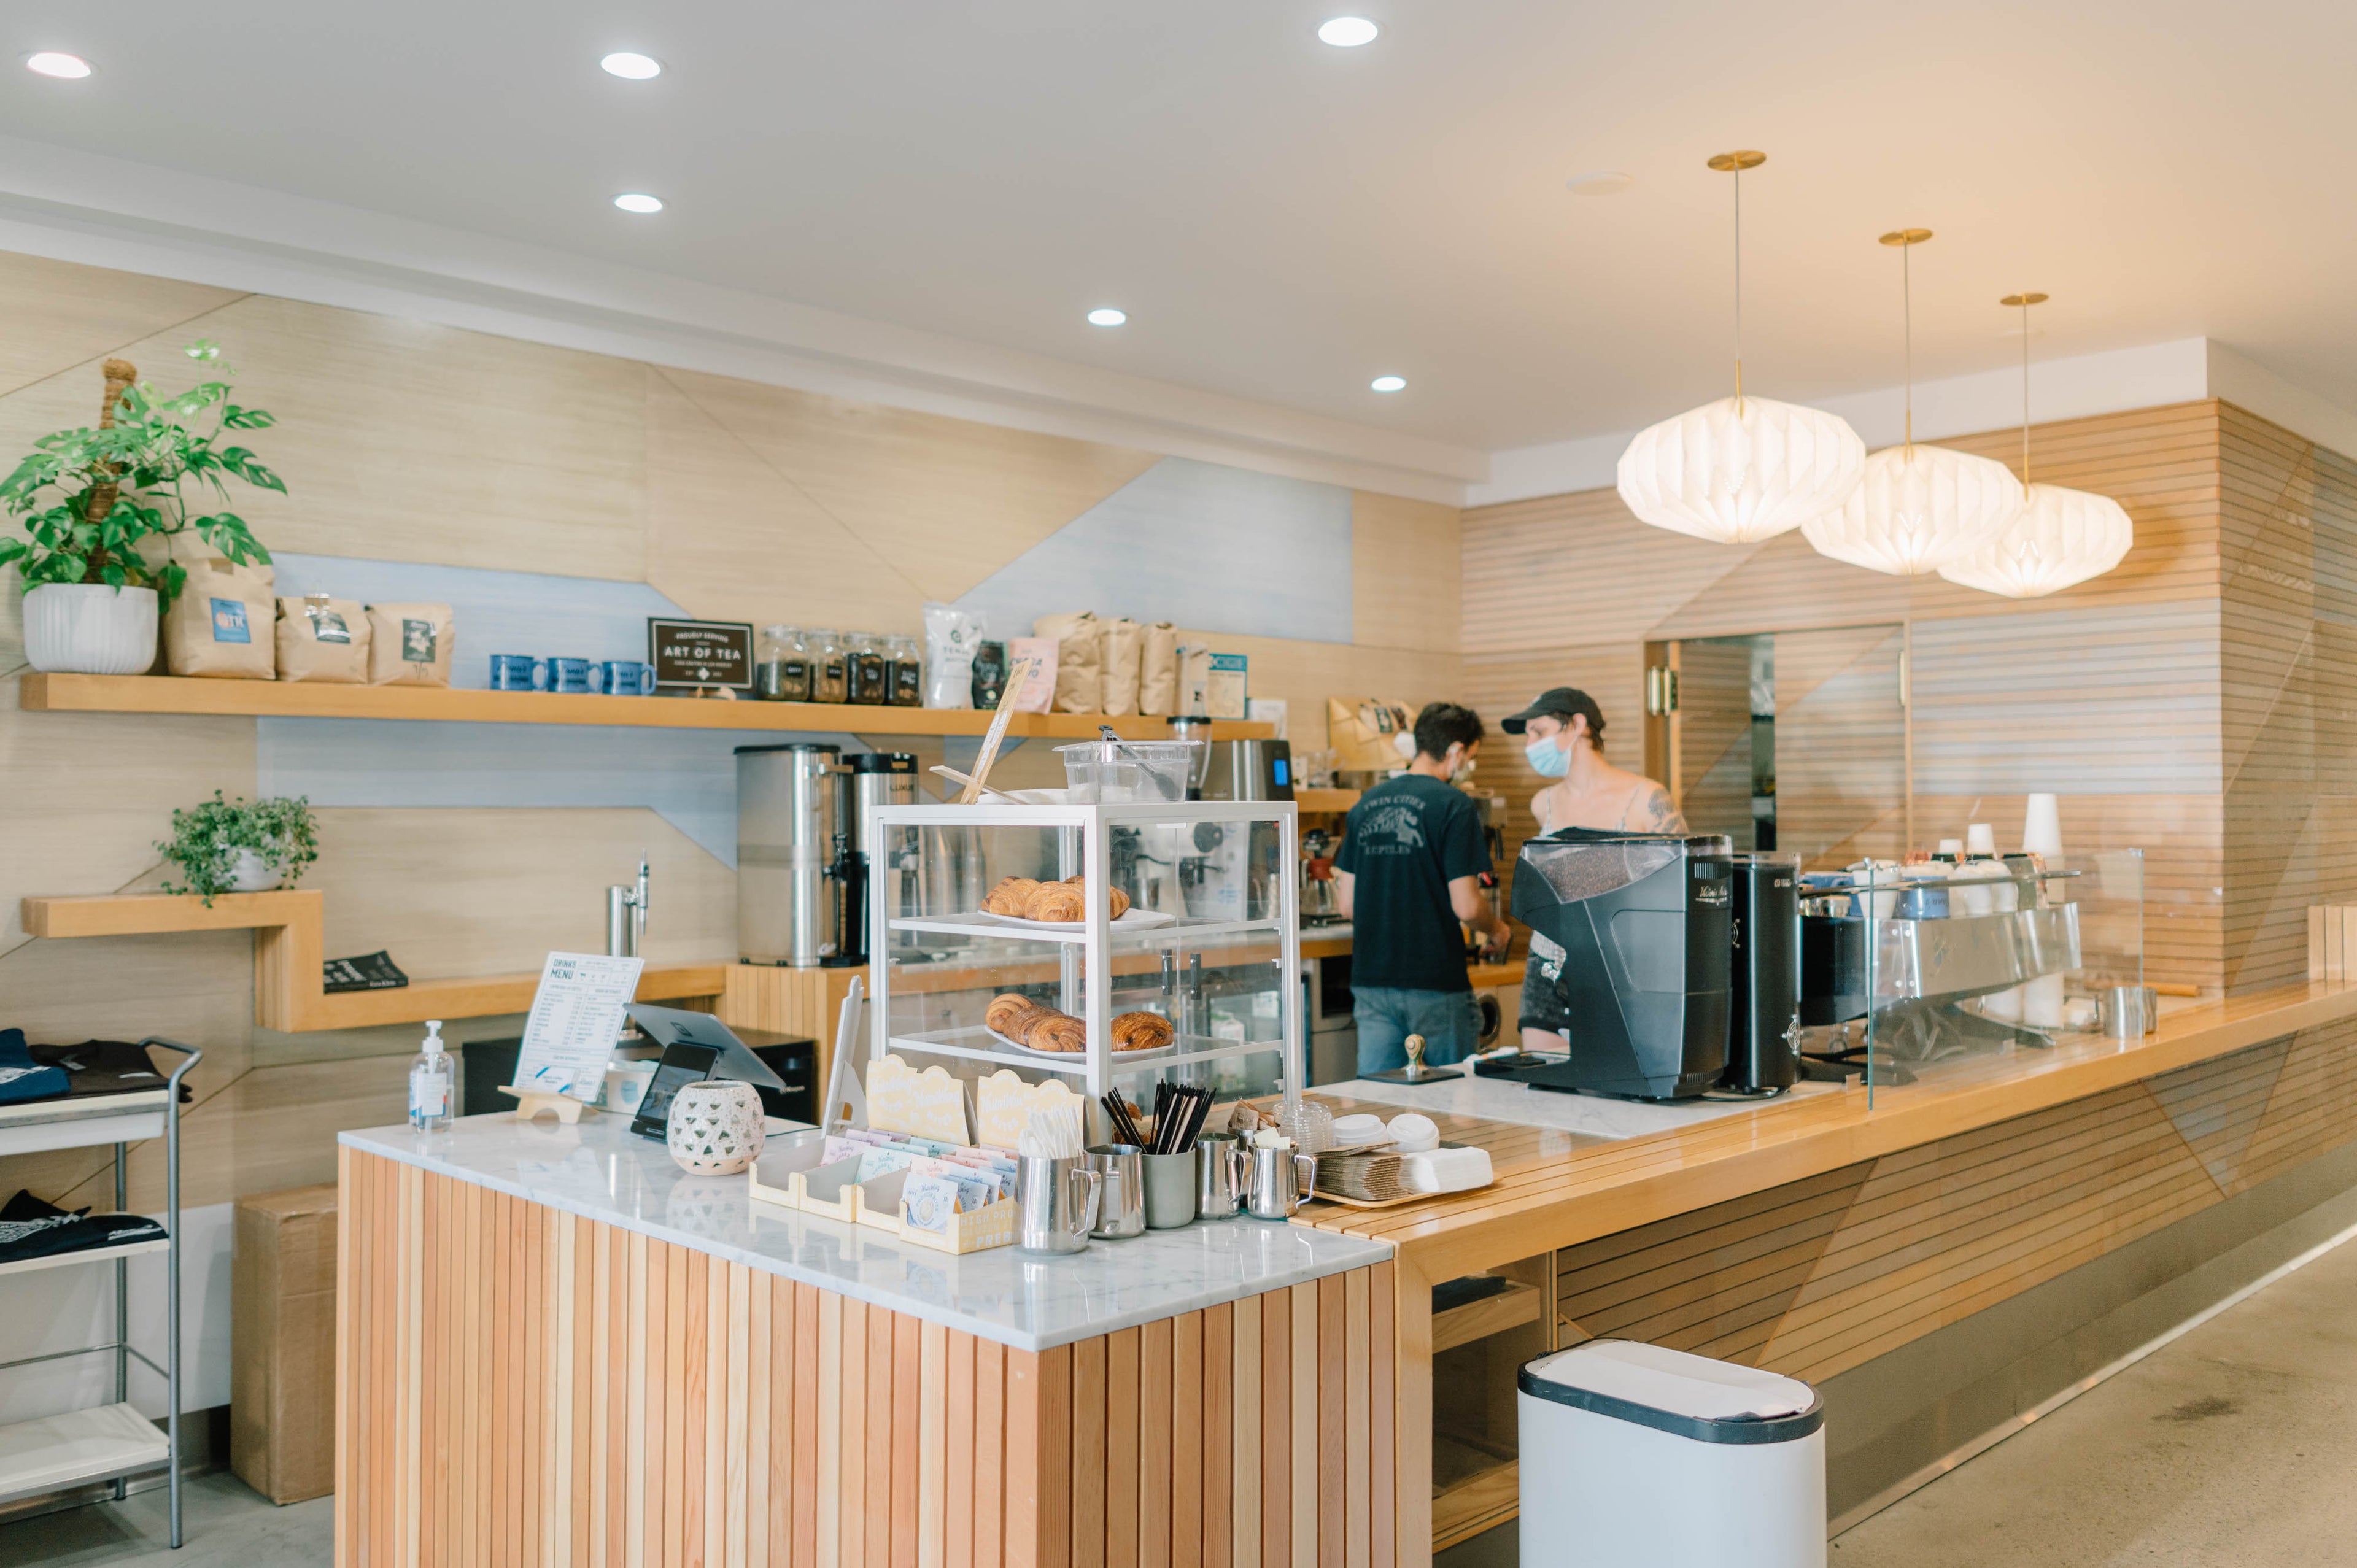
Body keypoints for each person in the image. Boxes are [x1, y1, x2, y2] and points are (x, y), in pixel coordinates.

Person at [1500, 686, 1686, 1052]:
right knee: (1545, 1077)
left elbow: (1686, 889)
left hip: (1620, 965)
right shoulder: (1544, 803)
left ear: (1577, 725)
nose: (1529, 745)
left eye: (1538, 732)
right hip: (1548, 960)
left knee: (1613, 1078)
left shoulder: (1646, 799)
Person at [1334, 701, 1512, 1074]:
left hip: (1372, 982)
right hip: (1436, 984)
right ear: (1456, 751)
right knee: (1456, 1103)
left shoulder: (1365, 804)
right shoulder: (1454, 805)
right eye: (1471, 756)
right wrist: (1497, 930)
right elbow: (1466, 906)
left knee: (1378, 1102)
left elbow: (1347, 904)